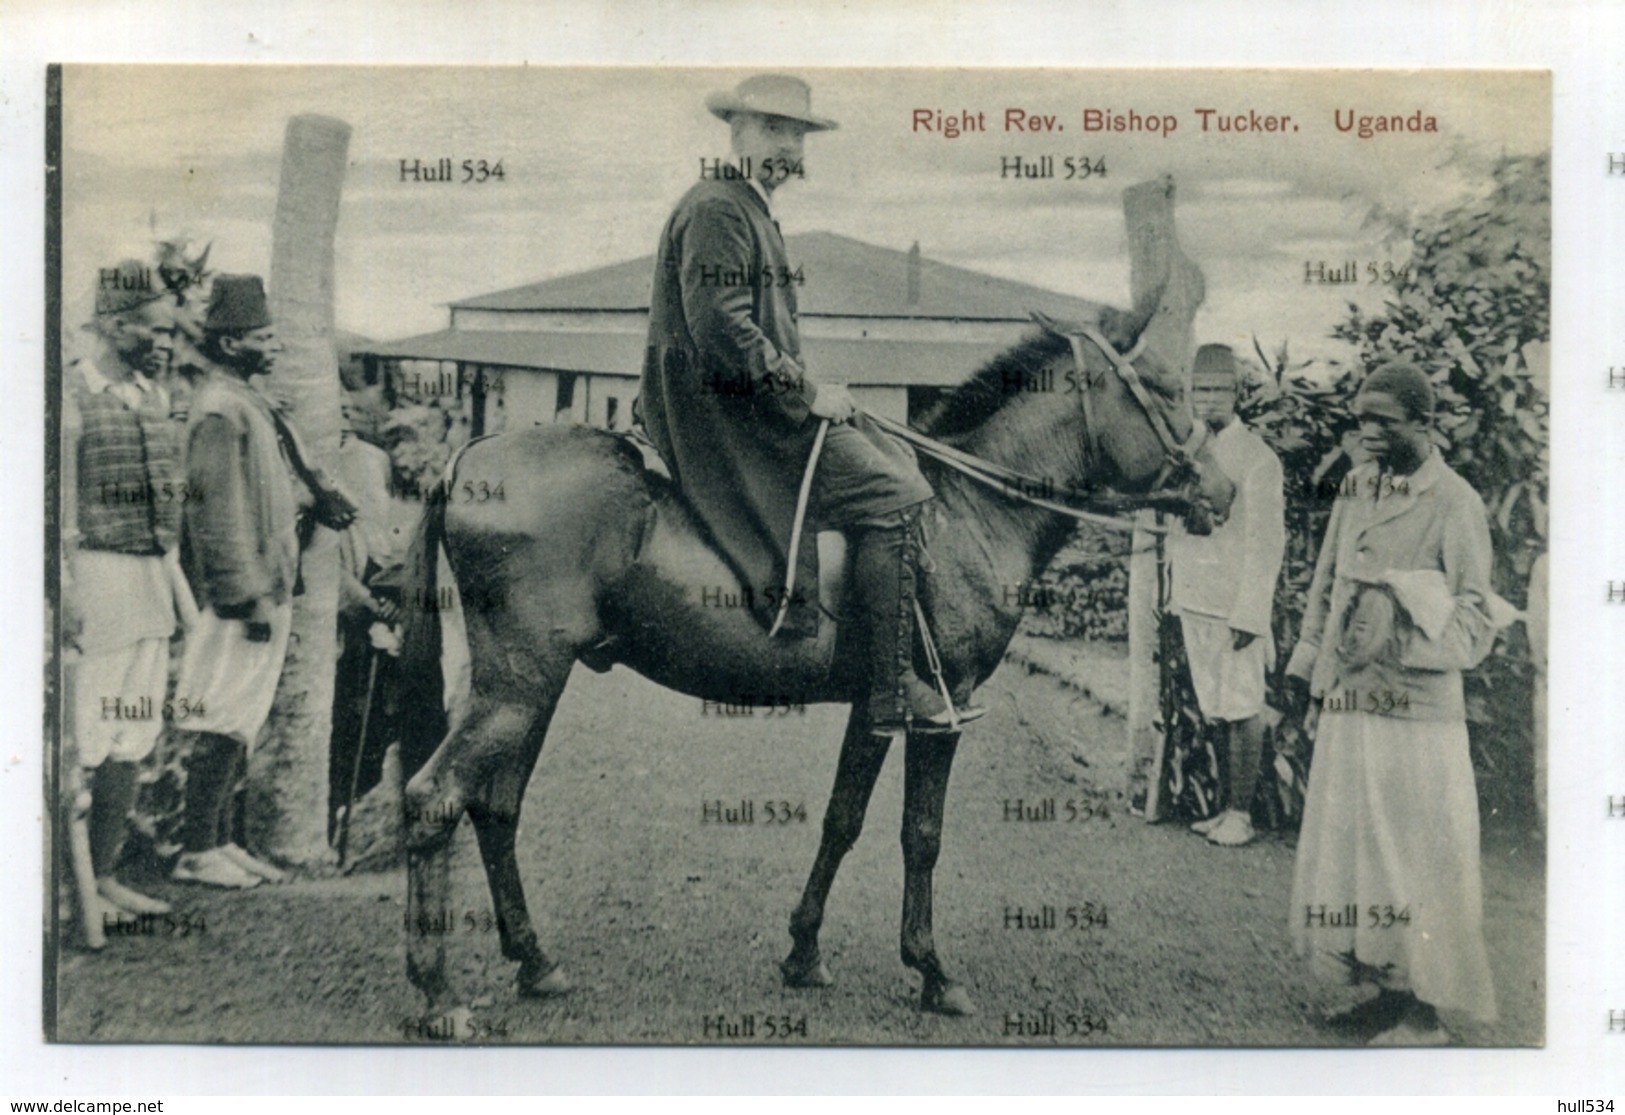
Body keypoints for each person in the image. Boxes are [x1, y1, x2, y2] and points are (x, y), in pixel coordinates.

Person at [637, 74, 982, 734]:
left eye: (794, 134)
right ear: (735, 130)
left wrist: (816, 391)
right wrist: (806, 392)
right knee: (897, 491)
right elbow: (719, 329)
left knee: (894, 451)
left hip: (746, 401)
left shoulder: (748, 205)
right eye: (770, 129)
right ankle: (889, 690)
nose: (784, 146)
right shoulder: (718, 206)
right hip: (723, 414)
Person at [1285, 362, 1499, 1044]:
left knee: (1419, 857)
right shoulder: (1356, 489)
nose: (1369, 432)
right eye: (1361, 418)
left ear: (1423, 424)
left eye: (1385, 420)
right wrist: (1309, 671)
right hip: (1353, 703)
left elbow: (1475, 622)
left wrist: (1399, 624)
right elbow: (1326, 582)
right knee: (1358, 854)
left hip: (1416, 713)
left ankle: (1424, 1013)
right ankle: (1382, 990)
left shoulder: (1454, 501)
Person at [170, 274, 353, 888]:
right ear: (228, 345)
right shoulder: (221, 411)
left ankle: (219, 841)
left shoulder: (246, 402)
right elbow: (214, 514)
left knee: (240, 716)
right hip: (238, 597)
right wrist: (242, 597)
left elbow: (268, 494)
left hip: (263, 588)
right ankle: (197, 849)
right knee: (220, 714)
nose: (272, 346)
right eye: (261, 336)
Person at [62, 258, 199, 922]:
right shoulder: (71, 396)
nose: (165, 340)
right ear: (115, 327)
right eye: (153, 327)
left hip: (148, 583)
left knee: (130, 736)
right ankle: (67, 888)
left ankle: (106, 873)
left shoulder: (156, 397)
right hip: (94, 581)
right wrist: (63, 594)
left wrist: (179, 597)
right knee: (81, 736)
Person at [1166, 344, 1285, 847]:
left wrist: (1251, 613)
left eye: (1219, 391)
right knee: (1215, 706)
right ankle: (1221, 808)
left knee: (1242, 706)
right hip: (1195, 598)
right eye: (1201, 391)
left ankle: (1241, 812)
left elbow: (1266, 541)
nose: (1209, 401)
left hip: (1234, 604)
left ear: (1236, 395)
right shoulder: (1185, 451)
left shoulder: (1257, 458)